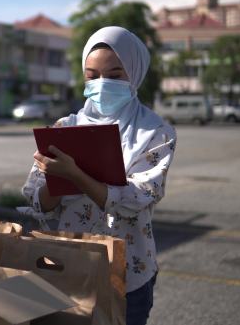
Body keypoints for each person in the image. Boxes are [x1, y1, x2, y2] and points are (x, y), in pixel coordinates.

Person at [21, 26, 176, 325]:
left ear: (135, 72)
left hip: (129, 273)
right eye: (92, 76)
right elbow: (37, 202)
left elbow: (136, 198)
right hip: (67, 267)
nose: (102, 84)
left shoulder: (156, 132)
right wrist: (56, 177)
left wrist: (76, 175)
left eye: (115, 75)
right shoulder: (64, 127)